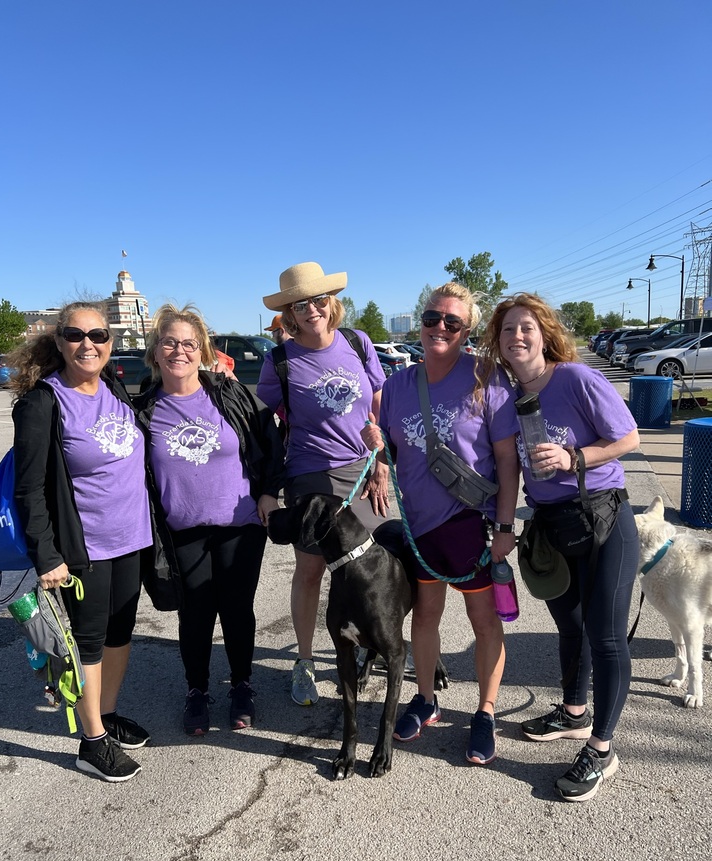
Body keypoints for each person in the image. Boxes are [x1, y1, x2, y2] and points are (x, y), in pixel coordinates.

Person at [482, 292, 640, 802]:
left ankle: (602, 749)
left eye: (526, 327)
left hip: (603, 518)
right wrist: (503, 525)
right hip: (550, 524)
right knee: (570, 626)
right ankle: (574, 714)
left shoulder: (575, 378)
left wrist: (576, 457)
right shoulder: (505, 395)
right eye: (507, 329)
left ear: (544, 334)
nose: (517, 336)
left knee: (606, 636)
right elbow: (508, 467)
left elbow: (629, 438)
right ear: (498, 342)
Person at [362, 282, 519, 765]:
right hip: (420, 527)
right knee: (425, 616)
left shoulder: (487, 378)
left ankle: (485, 712)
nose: (440, 328)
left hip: (471, 525)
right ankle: (426, 699)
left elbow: (507, 460)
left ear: (467, 330)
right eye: (432, 318)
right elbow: (391, 447)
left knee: (484, 621)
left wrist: (506, 526)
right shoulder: (398, 386)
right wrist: (376, 448)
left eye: (453, 321)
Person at [10, 301, 152, 782]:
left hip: (132, 538)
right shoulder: (42, 403)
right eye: (75, 335)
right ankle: (91, 743)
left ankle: (105, 717)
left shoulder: (113, 386)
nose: (87, 344)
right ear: (59, 342)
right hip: (84, 548)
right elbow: (29, 489)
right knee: (87, 644)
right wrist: (46, 555)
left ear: (110, 342)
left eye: (98, 335)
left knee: (120, 633)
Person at [135, 304, 284, 736]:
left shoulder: (229, 394)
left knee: (237, 609)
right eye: (169, 342)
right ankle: (197, 689)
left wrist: (269, 492)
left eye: (188, 343)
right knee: (195, 613)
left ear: (202, 350)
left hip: (240, 523)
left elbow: (271, 438)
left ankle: (242, 685)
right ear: (155, 350)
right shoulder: (142, 409)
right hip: (182, 530)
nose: (179, 351)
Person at [257, 261, 390, 707]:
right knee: (311, 569)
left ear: (331, 302)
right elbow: (264, 422)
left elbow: (377, 402)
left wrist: (381, 457)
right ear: (289, 314)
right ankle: (305, 661)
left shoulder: (357, 342)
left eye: (318, 300)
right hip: (309, 474)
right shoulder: (279, 361)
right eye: (300, 305)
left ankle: (373, 644)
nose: (311, 309)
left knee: (372, 566)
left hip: (362, 469)